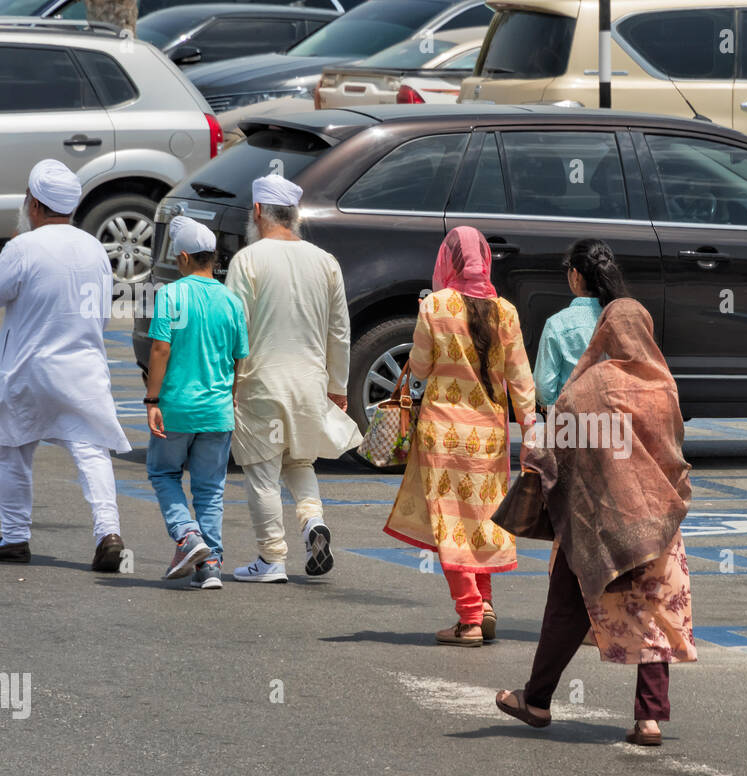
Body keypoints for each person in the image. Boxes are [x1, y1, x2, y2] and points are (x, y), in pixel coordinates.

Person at [494, 298, 696, 747]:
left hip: (593, 521)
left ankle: (537, 699)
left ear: (604, 333)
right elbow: (673, 452)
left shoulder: (591, 385)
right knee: (654, 611)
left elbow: (556, 446)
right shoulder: (663, 385)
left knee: (566, 605)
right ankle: (649, 720)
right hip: (655, 520)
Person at [0, 159, 130, 572]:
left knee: (14, 451)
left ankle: (15, 537)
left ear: (35, 205)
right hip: (82, 370)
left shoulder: (24, 246)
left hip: (28, 371)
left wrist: (12, 250)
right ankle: (108, 535)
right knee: (92, 451)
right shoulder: (94, 247)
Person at [384, 227, 537, 645]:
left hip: (442, 433)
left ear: (448, 260)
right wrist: (531, 432)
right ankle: (484, 604)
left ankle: (469, 617)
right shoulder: (505, 311)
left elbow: (418, 367)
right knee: (484, 520)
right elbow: (521, 380)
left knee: (450, 522)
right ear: (484, 259)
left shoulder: (434, 305)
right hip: (488, 437)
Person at [225, 173, 362, 583]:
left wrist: (227, 384)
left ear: (257, 212)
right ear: (295, 216)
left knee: (263, 470)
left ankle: (271, 559)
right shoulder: (325, 262)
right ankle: (311, 524)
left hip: (260, 383)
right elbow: (340, 331)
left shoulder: (247, 260)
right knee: (299, 460)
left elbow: (233, 328)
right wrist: (337, 388)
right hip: (309, 384)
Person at [144, 216, 249, 589]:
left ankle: (187, 536)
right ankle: (211, 566)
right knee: (210, 488)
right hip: (218, 411)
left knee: (163, 473)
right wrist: (230, 401)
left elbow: (160, 348)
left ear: (184, 258)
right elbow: (239, 359)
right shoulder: (232, 302)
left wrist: (152, 399)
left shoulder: (172, 295)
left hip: (176, 407)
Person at [533, 239, 629, 407]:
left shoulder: (557, 325)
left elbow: (543, 389)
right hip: (617, 422)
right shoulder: (624, 319)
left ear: (575, 275)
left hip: (571, 424)